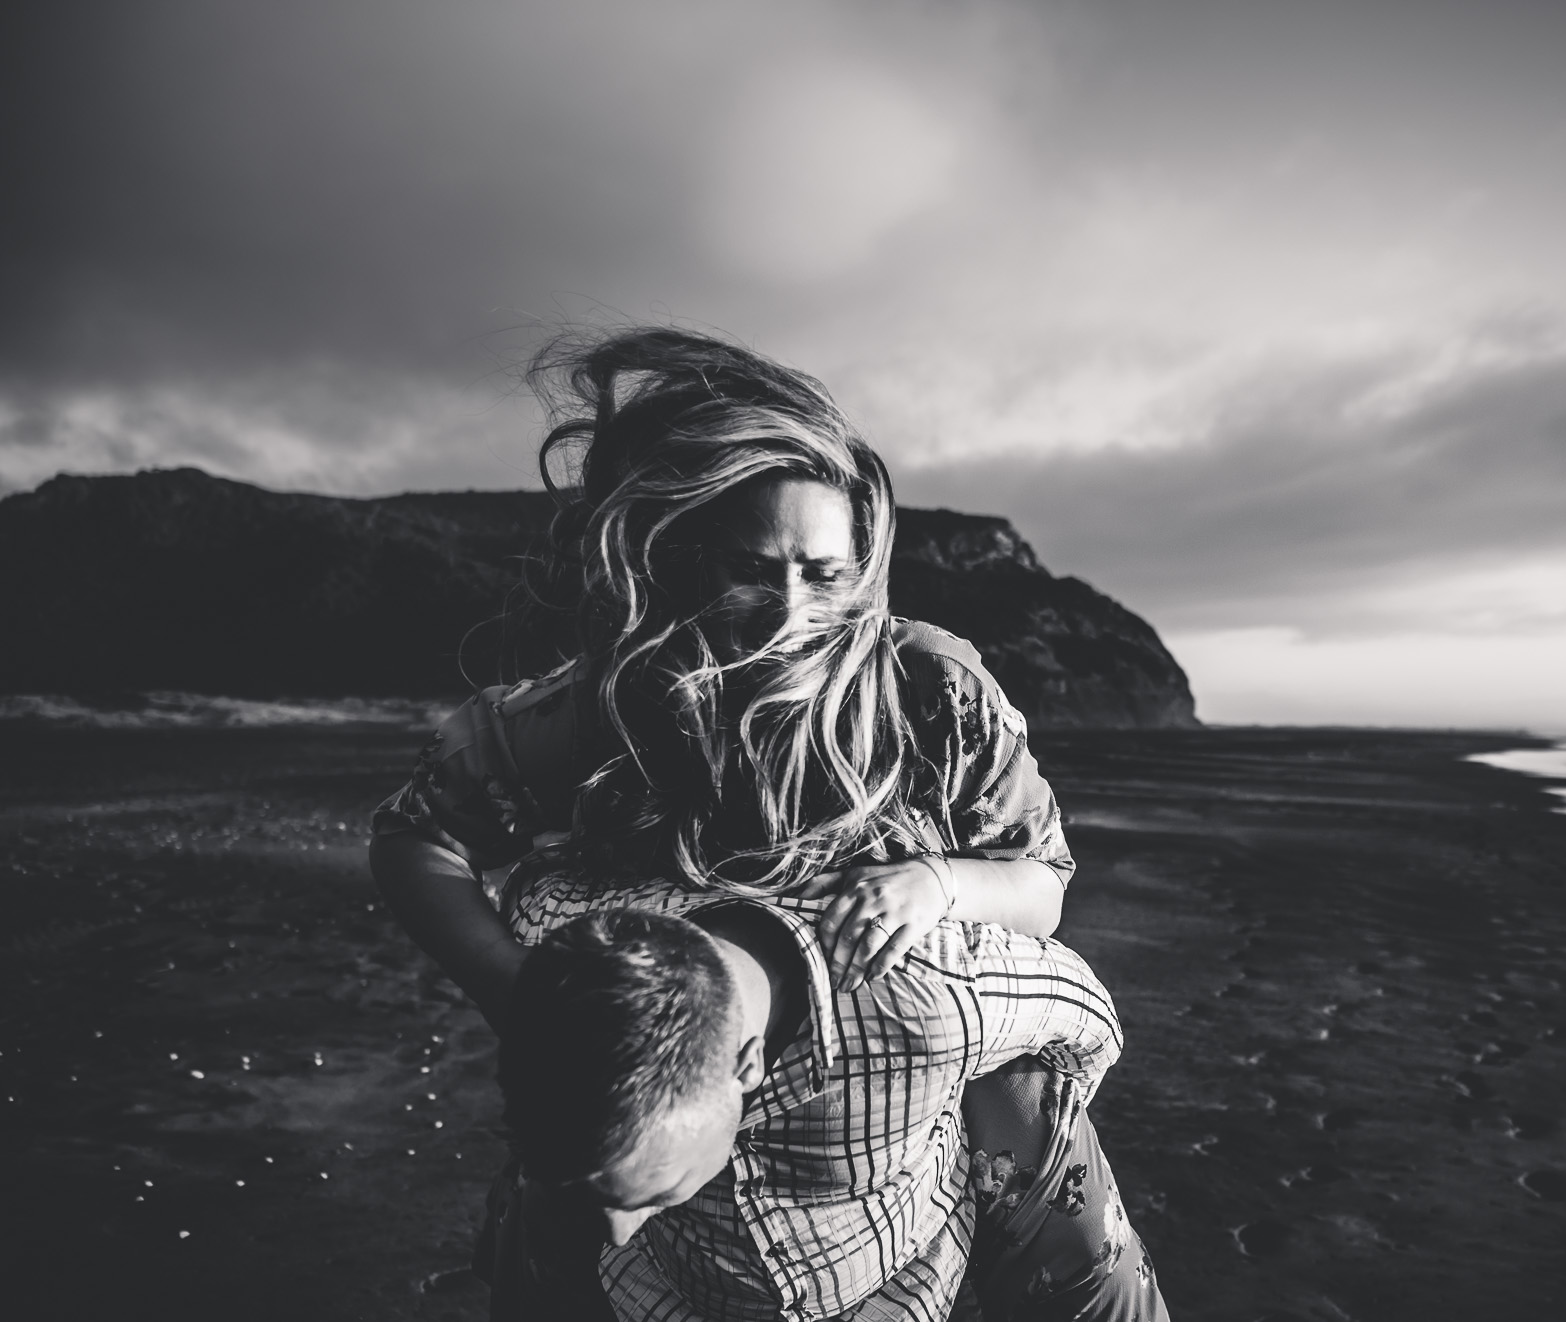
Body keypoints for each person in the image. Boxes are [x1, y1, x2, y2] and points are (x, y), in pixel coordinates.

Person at [368, 327, 1167, 1319]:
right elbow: (415, 836)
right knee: (578, 1213)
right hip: (665, 1063)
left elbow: (1041, 883)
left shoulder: (930, 684)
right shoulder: (595, 709)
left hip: (915, 1087)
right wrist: (520, 993)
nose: (791, 608)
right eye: (755, 565)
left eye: (824, 572)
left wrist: (937, 884)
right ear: (682, 553)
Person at [492, 900, 1159, 1321]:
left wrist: (1007, 1129)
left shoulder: (930, 1002)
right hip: (662, 1300)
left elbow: (1088, 1019)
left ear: (745, 1069)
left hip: (902, 1298)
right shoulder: (569, 963)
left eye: (654, 1192)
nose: (612, 1235)